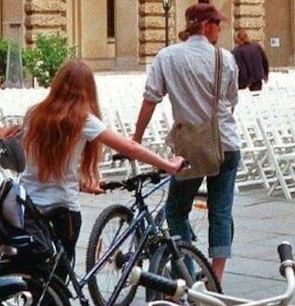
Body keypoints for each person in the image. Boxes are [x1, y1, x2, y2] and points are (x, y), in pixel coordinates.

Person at [13, 59, 183, 265]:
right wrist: (168, 165)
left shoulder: (34, 113)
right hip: (62, 208)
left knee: (37, 268)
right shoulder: (82, 120)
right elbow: (130, 147)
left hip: (28, 206)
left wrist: (79, 184)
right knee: (59, 273)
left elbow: (43, 165)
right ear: (88, 90)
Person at [132, 3, 240, 283]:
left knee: (176, 209)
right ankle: (216, 277)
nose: (220, 28)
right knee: (221, 210)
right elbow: (231, 102)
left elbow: (150, 99)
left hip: (190, 149)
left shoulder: (167, 57)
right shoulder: (225, 59)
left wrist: (136, 139)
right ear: (205, 26)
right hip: (226, 144)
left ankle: (187, 271)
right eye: (217, 23)